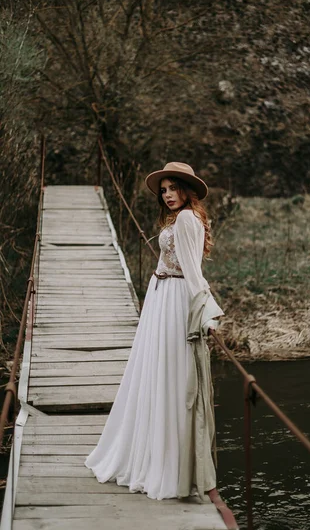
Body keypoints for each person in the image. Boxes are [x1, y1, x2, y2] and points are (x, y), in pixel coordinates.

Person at [85, 162, 224, 501]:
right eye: (163, 191)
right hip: (161, 299)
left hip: (174, 299)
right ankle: (156, 456)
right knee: (156, 372)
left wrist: (208, 311)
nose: (167, 195)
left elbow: (192, 271)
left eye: (173, 188)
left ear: (186, 189)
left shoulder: (188, 219)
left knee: (167, 375)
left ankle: (166, 464)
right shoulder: (179, 219)